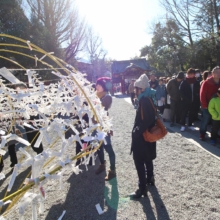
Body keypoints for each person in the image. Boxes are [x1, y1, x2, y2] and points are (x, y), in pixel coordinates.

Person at [130, 74, 156, 199]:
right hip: (147, 136)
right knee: (147, 158)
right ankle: (150, 177)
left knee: (139, 161)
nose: (135, 91)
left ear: (142, 89)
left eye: (136, 89)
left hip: (142, 137)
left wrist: (137, 131)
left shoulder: (144, 100)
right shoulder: (147, 98)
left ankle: (142, 188)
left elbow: (148, 118)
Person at [95, 77, 116, 181]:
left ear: (103, 86)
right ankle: (102, 164)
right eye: (96, 85)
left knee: (108, 148)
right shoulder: (94, 96)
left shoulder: (107, 97)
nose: (96, 86)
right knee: (99, 147)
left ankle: (112, 170)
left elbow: (103, 108)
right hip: (96, 126)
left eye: (98, 85)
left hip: (105, 126)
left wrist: (93, 102)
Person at [200, 66, 220, 141]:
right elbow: (202, 95)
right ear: (212, 73)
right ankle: (202, 133)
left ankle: (214, 134)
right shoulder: (206, 82)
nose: (219, 74)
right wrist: (204, 105)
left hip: (217, 106)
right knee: (205, 120)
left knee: (216, 122)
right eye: (217, 72)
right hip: (207, 106)